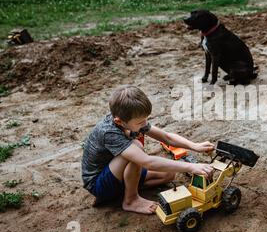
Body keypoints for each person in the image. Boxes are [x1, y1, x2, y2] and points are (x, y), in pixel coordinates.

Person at [81, 85, 214, 214]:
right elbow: (147, 161)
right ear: (119, 121)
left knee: (169, 175)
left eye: (146, 119)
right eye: (140, 122)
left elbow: (166, 137)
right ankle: (130, 200)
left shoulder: (130, 119)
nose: (145, 124)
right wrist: (191, 167)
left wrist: (194, 146)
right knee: (136, 146)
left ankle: (123, 191)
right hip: (98, 183)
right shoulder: (108, 132)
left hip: (118, 174)